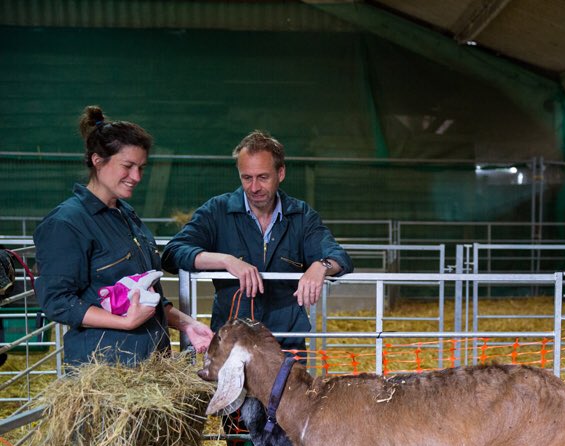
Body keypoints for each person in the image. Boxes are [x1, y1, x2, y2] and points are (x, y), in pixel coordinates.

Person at [34, 106, 213, 366]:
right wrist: (124, 322)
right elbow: (57, 302)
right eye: (127, 166)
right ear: (97, 160)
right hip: (106, 369)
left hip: (151, 365)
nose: (137, 177)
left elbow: (143, 294)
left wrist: (187, 324)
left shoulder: (126, 215)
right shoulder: (66, 223)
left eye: (141, 167)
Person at [161, 130, 352, 351]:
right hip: (231, 341)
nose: (254, 188)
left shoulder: (300, 216)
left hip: (285, 343)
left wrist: (321, 265)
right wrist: (226, 260)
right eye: (246, 178)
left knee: (287, 387)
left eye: (263, 177)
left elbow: (339, 256)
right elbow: (173, 253)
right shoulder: (217, 211)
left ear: (280, 173)